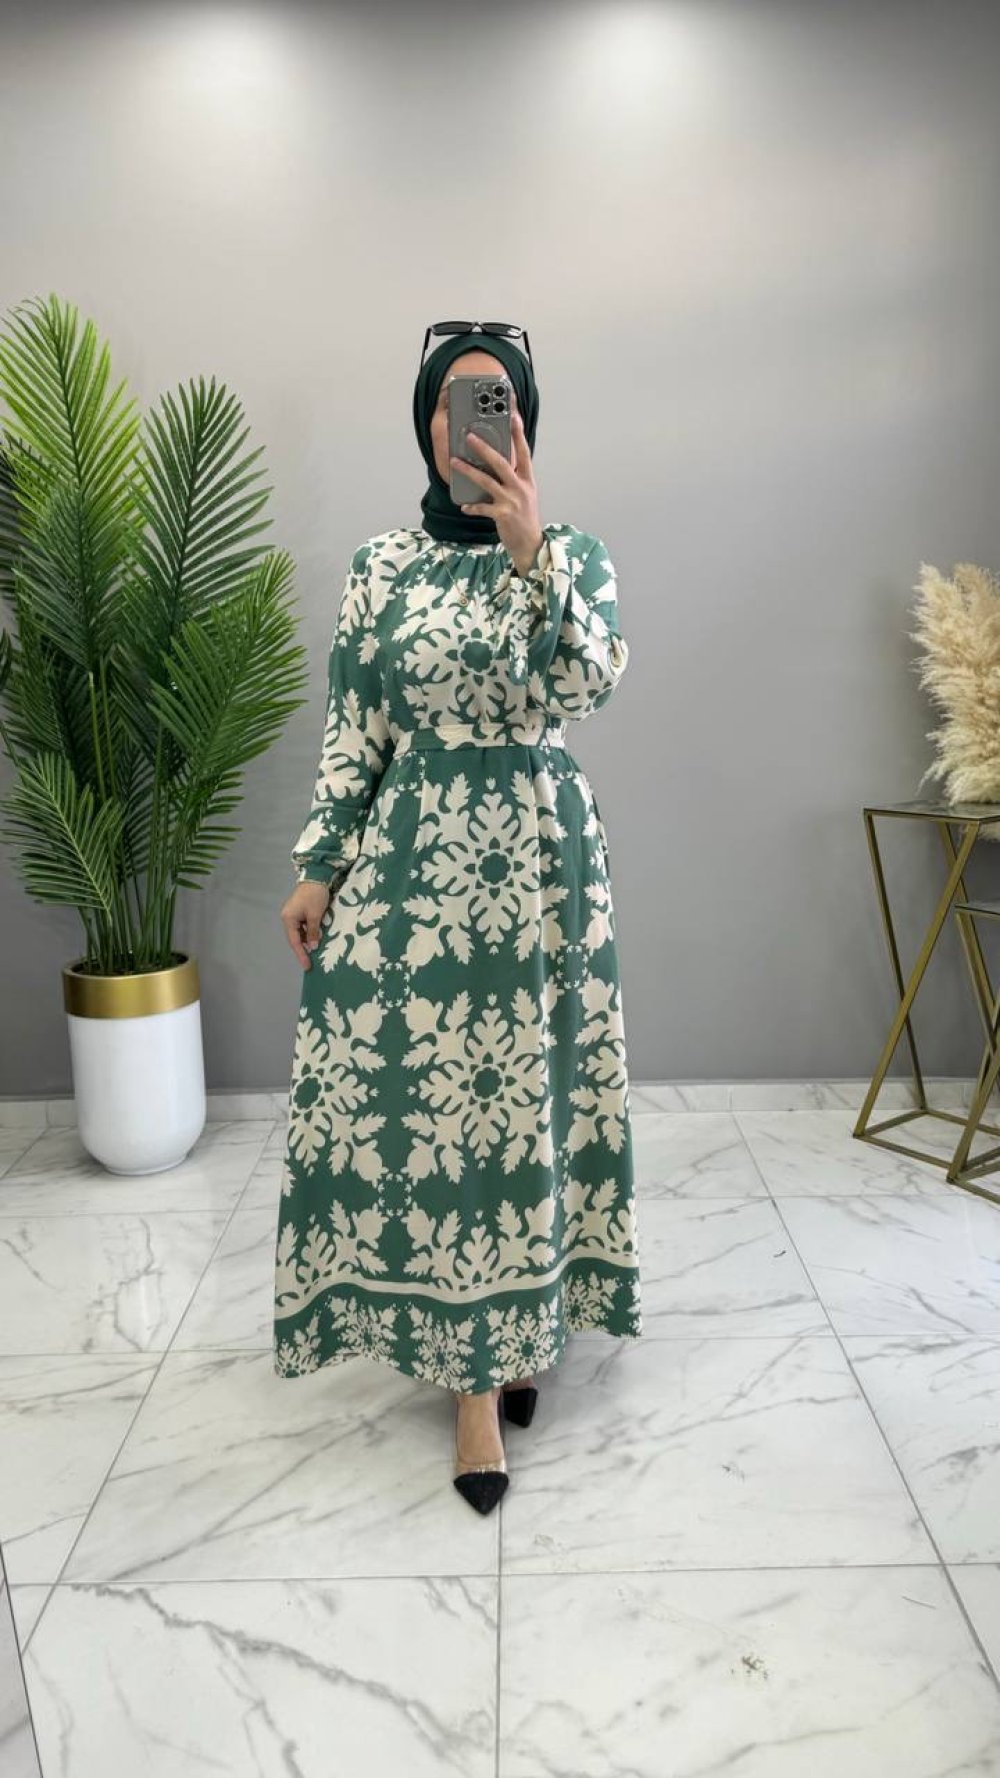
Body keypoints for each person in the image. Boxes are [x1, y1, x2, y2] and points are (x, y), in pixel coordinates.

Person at [274, 322, 642, 1514]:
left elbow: (586, 685)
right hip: (414, 872)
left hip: (538, 864)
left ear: (524, 422)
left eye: (496, 402)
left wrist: (530, 552)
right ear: (424, 421)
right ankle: (474, 1374)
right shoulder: (380, 565)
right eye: (452, 401)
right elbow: (355, 725)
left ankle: (514, 1338)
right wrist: (320, 864)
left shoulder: (572, 553)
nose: (472, 423)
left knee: (527, 1100)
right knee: (430, 1111)